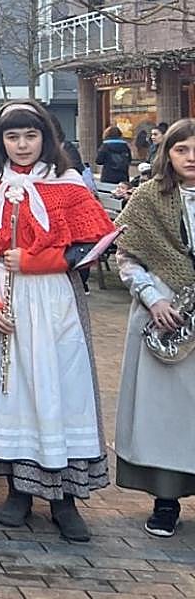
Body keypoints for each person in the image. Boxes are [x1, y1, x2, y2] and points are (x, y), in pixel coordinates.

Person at [0, 99, 114, 542]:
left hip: (51, 300)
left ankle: (65, 499)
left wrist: (35, 261)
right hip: (2, 301)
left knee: (56, 391)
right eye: (13, 137)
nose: (22, 145)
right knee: (11, 394)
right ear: (0, 141)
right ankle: (19, 490)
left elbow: (93, 245)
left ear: (46, 137)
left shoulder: (67, 186)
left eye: (31, 135)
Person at [113, 118, 195, 538]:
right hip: (165, 314)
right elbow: (126, 255)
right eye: (182, 149)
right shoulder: (148, 197)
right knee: (165, 413)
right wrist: (154, 298)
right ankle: (166, 500)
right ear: (168, 153)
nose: (191, 157)